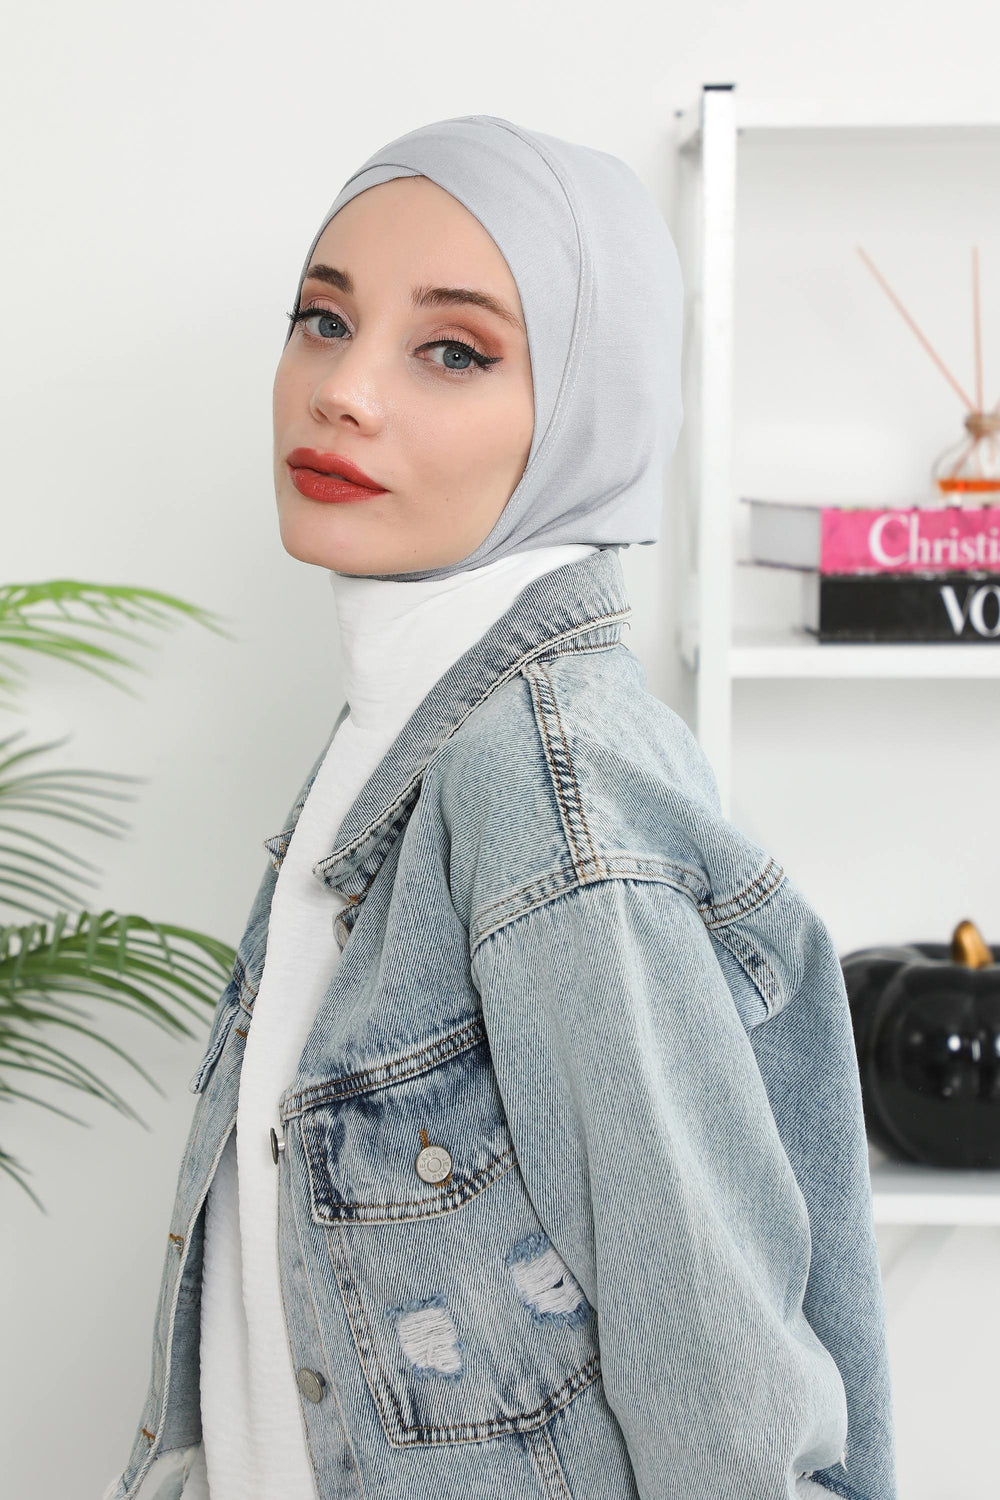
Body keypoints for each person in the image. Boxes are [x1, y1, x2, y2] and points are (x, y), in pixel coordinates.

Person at [102, 114, 896, 1500]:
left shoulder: (544, 784)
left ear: (590, 405)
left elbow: (725, 1405)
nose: (344, 392)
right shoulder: (396, 730)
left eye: (455, 350)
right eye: (323, 320)